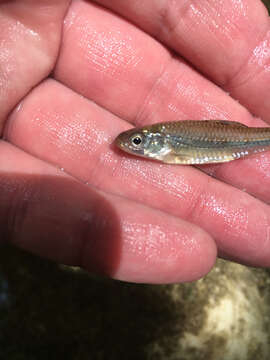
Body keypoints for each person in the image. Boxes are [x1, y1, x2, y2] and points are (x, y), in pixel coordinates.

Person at [0, 0, 270, 283]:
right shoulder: (166, 144)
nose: (132, 145)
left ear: (157, 140)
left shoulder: (169, 144)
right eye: (137, 141)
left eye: (138, 141)